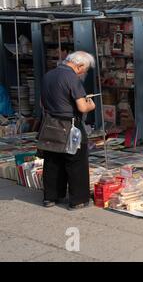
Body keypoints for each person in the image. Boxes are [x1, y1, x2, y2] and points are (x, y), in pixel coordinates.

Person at [40, 51, 96, 210]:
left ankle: (50, 197)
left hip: (50, 122)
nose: (84, 73)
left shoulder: (48, 75)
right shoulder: (72, 78)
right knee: (76, 162)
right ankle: (78, 200)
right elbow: (82, 106)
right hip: (70, 125)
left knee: (52, 161)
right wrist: (91, 105)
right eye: (85, 70)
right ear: (79, 66)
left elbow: (41, 102)